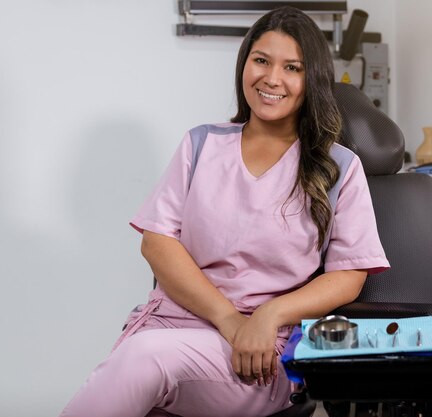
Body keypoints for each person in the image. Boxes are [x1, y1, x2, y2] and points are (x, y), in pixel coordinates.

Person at [60, 6, 389, 417]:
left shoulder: (338, 167)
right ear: (244, 64)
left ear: (312, 80)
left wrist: (269, 315)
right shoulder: (202, 144)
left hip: (258, 352)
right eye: (261, 61)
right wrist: (227, 318)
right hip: (175, 326)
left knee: (146, 359)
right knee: (143, 363)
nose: (271, 78)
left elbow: (348, 276)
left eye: (292, 67)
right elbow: (158, 243)